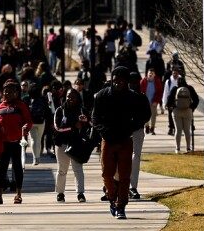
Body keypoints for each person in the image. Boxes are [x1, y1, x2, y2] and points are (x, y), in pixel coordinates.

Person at [92, 66, 151, 220]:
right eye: (115, 81)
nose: (118, 84)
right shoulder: (102, 95)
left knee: (124, 175)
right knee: (107, 174)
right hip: (108, 140)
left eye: (121, 81)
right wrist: (103, 131)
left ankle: (121, 206)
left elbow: (145, 114)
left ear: (126, 82)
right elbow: (95, 117)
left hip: (125, 140)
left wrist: (132, 126)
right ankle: (111, 196)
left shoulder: (133, 97)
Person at [0, 80, 32, 205]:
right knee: (1, 169)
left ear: (16, 93)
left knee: (17, 168)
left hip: (17, 143)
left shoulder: (21, 106)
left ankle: (18, 194)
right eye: (5, 92)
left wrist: (25, 128)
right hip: (3, 143)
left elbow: (29, 121)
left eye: (10, 92)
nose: (7, 94)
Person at [53, 88, 90, 203]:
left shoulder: (82, 110)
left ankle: (80, 194)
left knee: (78, 169)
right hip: (62, 144)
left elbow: (91, 125)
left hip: (77, 143)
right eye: (68, 97)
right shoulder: (60, 110)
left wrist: (85, 122)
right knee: (62, 170)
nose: (70, 99)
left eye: (73, 97)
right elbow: (57, 127)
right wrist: (73, 126)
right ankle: (60, 193)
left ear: (78, 98)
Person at [128, 70, 149, 200]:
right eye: (130, 82)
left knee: (135, 157)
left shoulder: (142, 97)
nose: (133, 84)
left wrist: (137, 121)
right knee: (122, 158)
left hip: (137, 131)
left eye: (135, 82)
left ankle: (133, 186)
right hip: (124, 131)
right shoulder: (122, 97)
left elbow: (147, 114)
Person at [169, 75, 199, 154]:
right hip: (187, 111)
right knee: (187, 130)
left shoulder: (175, 89)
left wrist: (172, 107)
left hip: (176, 111)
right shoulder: (190, 88)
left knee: (178, 130)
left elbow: (169, 100)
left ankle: (177, 148)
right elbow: (196, 99)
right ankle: (188, 148)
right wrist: (191, 108)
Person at [140, 68, 163, 135]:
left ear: (154, 75)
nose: (150, 74)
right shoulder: (143, 82)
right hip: (145, 102)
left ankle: (152, 128)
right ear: (147, 74)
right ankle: (147, 126)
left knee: (153, 116)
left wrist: (156, 101)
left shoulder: (157, 82)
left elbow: (160, 92)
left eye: (152, 73)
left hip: (153, 102)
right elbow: (139, 91)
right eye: (149, 73)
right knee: (145, 115)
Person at [162, 66, 182, 136]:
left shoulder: (181, 80)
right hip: (171, 100)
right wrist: (164, 103)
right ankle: (171, 128)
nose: (175, 75)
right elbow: (166, 92)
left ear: (178, 73)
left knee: (178, 115)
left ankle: (177, 128)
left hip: (179, 100)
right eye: (173, 73)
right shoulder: (168, 81)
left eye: (176, 73)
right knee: (170, 115)